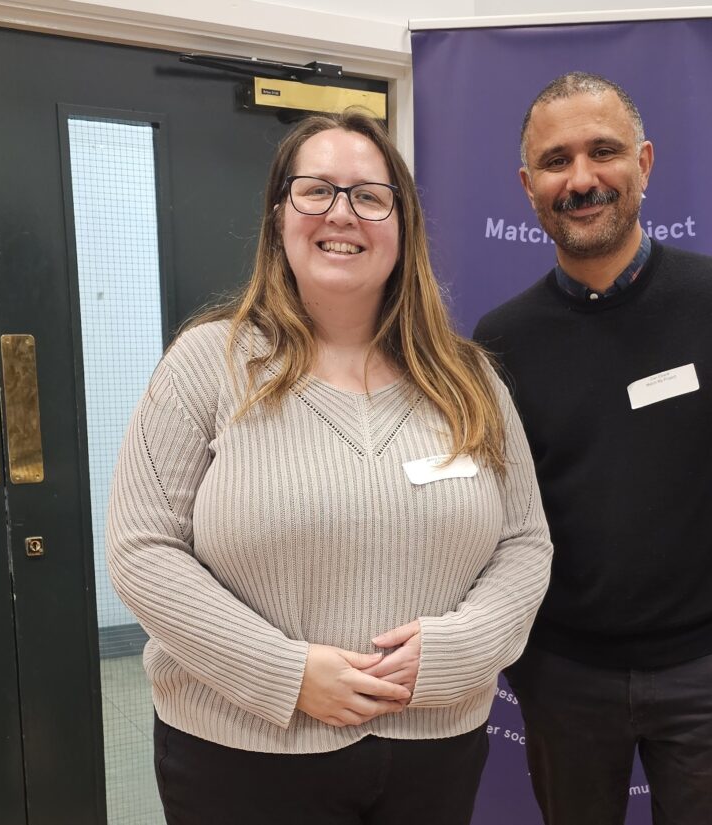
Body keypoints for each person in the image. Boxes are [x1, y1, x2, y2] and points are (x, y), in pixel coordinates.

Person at [107, 109, 551, 825]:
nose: (342, 213)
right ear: (279, 215)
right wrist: (284, 674)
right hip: (241, 757)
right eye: (316, 190)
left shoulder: (470, 380)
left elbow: (525, 542)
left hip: (433, 752)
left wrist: (460, 649)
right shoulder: (207, 365)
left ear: (402, 225)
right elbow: (142, 551)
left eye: (370, 196)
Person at [473, 72, 712, 825]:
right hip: (563, 676)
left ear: (644, 163)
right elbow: (494, 512)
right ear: (527, 184)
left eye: (603, 151)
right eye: (556, 159)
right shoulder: (502, 340)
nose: (581, 178)